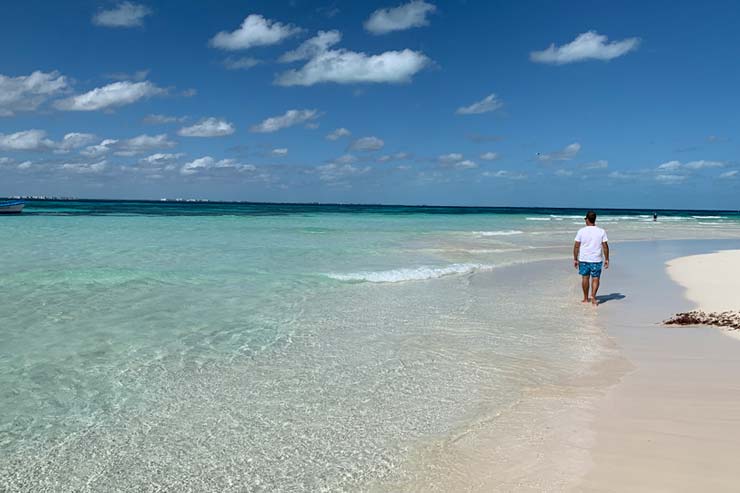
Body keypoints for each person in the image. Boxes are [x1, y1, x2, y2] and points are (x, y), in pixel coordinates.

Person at [573, 210, 609, 306]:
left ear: (587, 219)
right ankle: (593, 296)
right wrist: (607, 259)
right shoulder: (601, 231)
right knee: (595, 278)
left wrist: (575, 259)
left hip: (584, 259)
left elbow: (576, 246)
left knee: (585, 278)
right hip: (596, 259)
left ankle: (585, 298)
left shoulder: (581, 231)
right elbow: (605, 246)